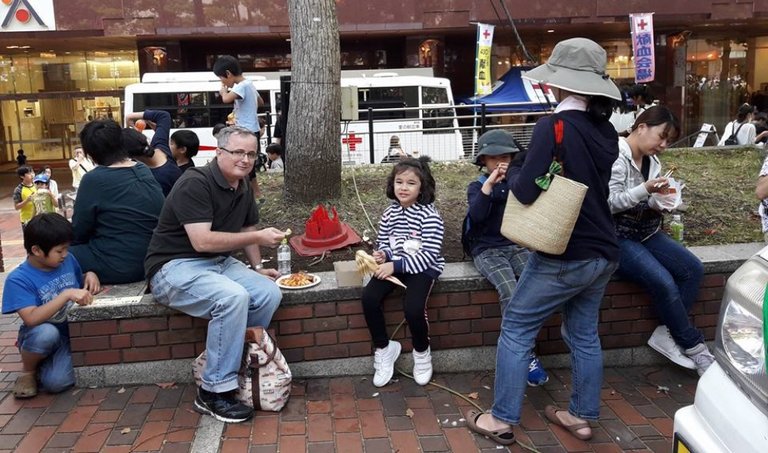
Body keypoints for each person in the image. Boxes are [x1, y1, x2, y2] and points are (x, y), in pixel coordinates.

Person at [466, 38, 622, 444]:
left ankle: (501, 419)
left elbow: (528, 191)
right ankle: (580, 416)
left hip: (564, 249)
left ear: (559, 83)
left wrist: (512, 173)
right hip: (604, 250)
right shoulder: (604, 129)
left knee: (516, 327)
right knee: (585, 335)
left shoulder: (552, 125)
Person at [145, 126, 285, 424]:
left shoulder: (242, 184)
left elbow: (247, 229)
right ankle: (213, 392)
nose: (245, 160)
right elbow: (203, 241)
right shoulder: (195, 183)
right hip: (173, 267)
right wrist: (259, 237)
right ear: (219, 152)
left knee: (268, 292)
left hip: (217, 263)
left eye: (250, 154)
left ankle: (236, 362)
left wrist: (258, 269)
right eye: (237, 152)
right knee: (233, 297)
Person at [608, 105, 714, 376]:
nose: (664, 145)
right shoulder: (615, 155)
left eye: (668, 140)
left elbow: (650, 199)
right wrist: (645, 189)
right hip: (617, 236)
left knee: (692, 269)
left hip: (646, 230)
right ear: (641, 127)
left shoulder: (652, 161)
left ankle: (666, 333)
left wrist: (664, 200)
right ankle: (694, 346)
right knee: (663, 280)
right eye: (661, 136)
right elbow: (609, 203)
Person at [465, 129, 549, 387]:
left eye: (506, 157)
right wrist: (490, 185)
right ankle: (519, 354)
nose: (500, 163)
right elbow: (476, 217)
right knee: (509, 291)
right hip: (487, 249)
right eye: (492, 158)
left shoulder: (520, 184)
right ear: (482, 161)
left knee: (534, 289)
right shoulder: (477, 187)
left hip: (517, 245)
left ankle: (526, 348)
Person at [361, 156, 445, 388]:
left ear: (422, 187)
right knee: (369, 298)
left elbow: (428, 255)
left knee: (413, 308)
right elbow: (385, 243)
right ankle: (384, 348)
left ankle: (421, 352)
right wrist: (383, 255)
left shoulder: (430, 216)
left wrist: (395, 265)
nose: (403, 188)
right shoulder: (390, 213)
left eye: (411, 183)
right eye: (399, 182)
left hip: (422, 268)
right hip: (394, 265)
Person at [1, 213, 100, 398]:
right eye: (59, 251)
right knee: (46, 333)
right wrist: (66, 295)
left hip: (69, 333)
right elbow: (31, 318)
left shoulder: (68, 260)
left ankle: (46, 366)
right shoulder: (18, 279)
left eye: (66, 249)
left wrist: (89, 275)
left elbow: (77, 282)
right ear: (37, 250)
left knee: (57, 383)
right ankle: (28, 372)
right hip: (40, 333)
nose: (65, 255)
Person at [70, 119, 165, 284]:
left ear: (90, 153)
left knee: (54, 254)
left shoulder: (94, 179)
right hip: (153, 257)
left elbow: (79, 229)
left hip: (119, 265)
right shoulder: (141, 169)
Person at [125, 110, 183, 196]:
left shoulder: (142, 178)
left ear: (130, 156)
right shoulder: (160, 146)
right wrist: (129, 117)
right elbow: (164, 115)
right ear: (143, 138)